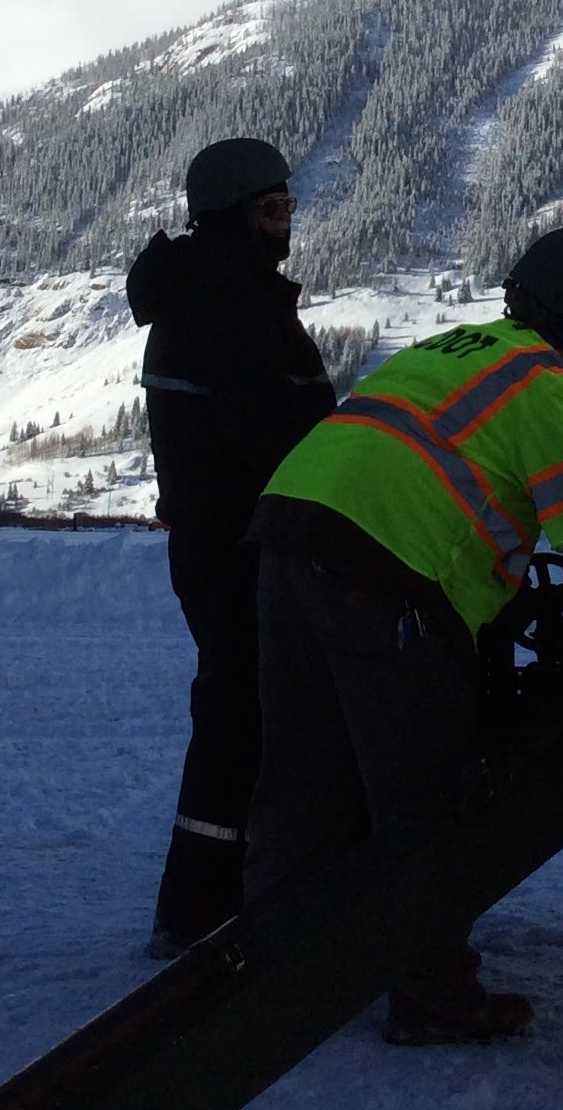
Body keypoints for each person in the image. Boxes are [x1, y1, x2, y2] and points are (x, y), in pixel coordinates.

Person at [242, 227, 563, 1047]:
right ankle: (434, 999)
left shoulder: (453, 348)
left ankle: (272, 977)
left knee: (303, 772)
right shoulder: (541, 382)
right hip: (383, 571)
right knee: (423, 798)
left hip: (289, 537)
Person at [126, 137, 336, 960]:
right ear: (239, 218)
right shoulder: (228, 307)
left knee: (248, 707)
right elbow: (278, 441)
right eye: (275, 210)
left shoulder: (213, 294)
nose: (287, 225)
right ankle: (204, 907)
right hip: (244, 543)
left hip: (223, 539)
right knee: (242, 713)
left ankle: (231, 889)